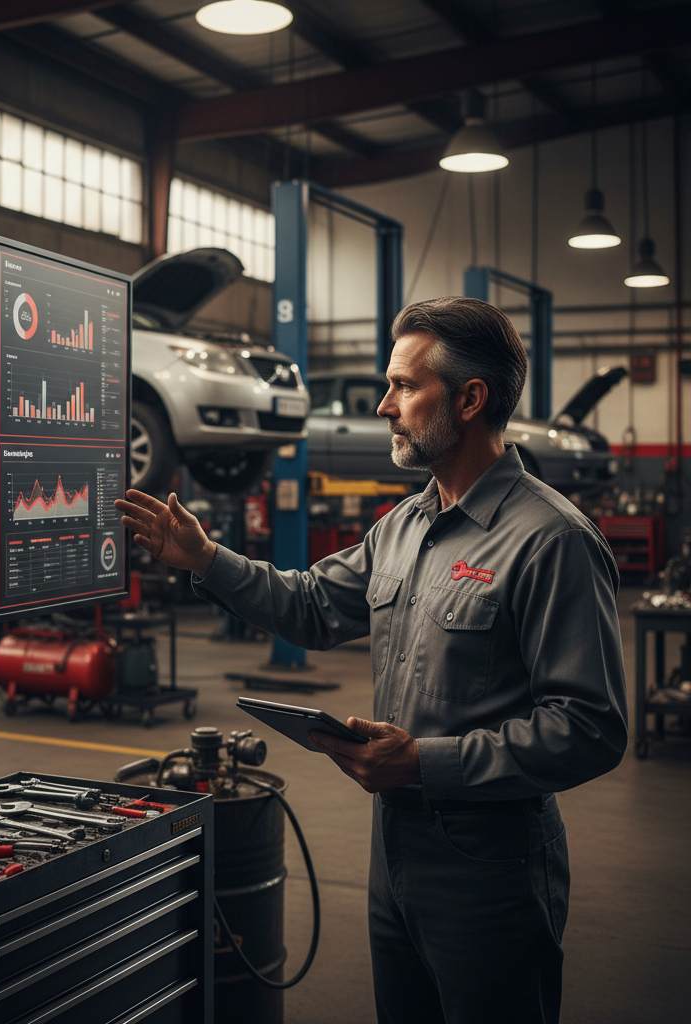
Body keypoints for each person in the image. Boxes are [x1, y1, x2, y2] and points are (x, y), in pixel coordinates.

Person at [114, 296, 628, 1024]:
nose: (384, 406)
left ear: (470, 399)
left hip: (493, 869)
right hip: (395, 855)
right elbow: (310, 605)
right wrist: (204, 558)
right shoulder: (406, 525)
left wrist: (425, 762)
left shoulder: (551, 540)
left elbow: (591, 728)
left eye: (404, 386)